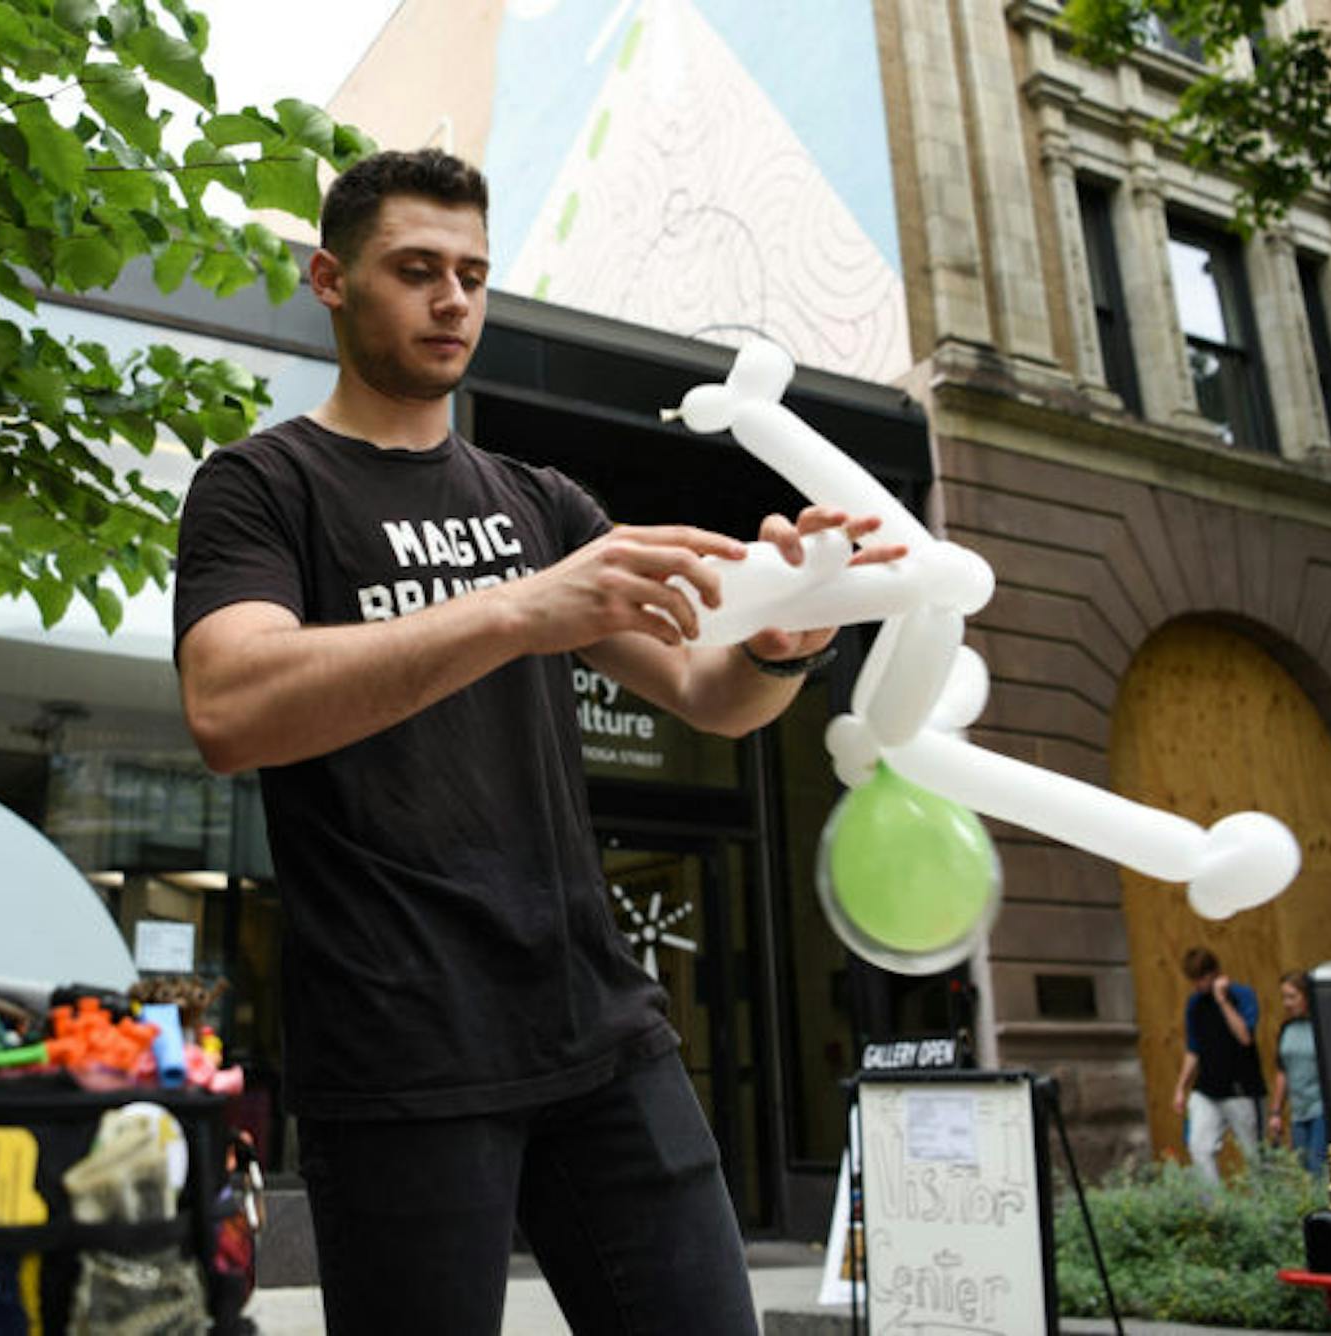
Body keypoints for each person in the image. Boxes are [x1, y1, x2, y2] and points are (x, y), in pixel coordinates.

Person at [171, 148, 901, 1334]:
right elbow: (229, 704)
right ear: (328, 279)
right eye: (415, 270)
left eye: (471, 272)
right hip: (401, 1046)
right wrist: (518, 609)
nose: (451, 298)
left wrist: (785, 637)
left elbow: (708, 697)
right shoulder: (264, 486)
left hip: (601, 1029)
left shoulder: (539, 501)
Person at [1170, 946, 1263, 1185]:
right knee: (1199, 1147)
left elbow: (1244, 1037)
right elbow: (1194, 1049)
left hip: (1240, 1087)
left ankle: (1263, 1207)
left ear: (1214, 974)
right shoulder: (1195, 1004)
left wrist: (1222, 1001)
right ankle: (1213, 1207)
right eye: (1194, 980)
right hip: (1207, 1087)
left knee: (1253, 1154)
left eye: (1201, 979)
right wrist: (1181, 1087)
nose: (1198, 985)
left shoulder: (1241, 995)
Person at [1265, 970, 1324, 1174]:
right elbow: (1283, 1071)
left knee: (1318, 1165)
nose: (1287, 1003)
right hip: (1298, 1111)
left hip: (1320, 1108)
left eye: (1292, 997)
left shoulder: (1321, 1026)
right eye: (1284, 997)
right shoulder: (1287, 1028)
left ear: (1306, 996)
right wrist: (1276, 1112)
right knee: (1302, 1167)